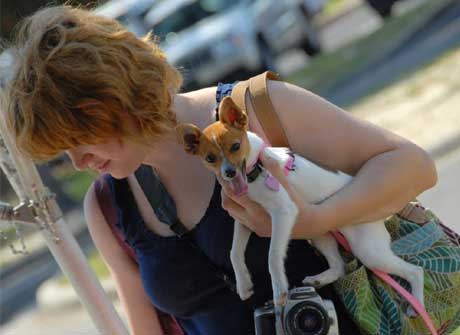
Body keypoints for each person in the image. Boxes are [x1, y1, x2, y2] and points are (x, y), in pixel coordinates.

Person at [3, 5, 438, 335]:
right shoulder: (108, 207)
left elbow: (412, 166)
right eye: (63, 153)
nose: (78, 162)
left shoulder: (260, 111)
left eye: (80, 140)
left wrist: (317, 221)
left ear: (115, 99)